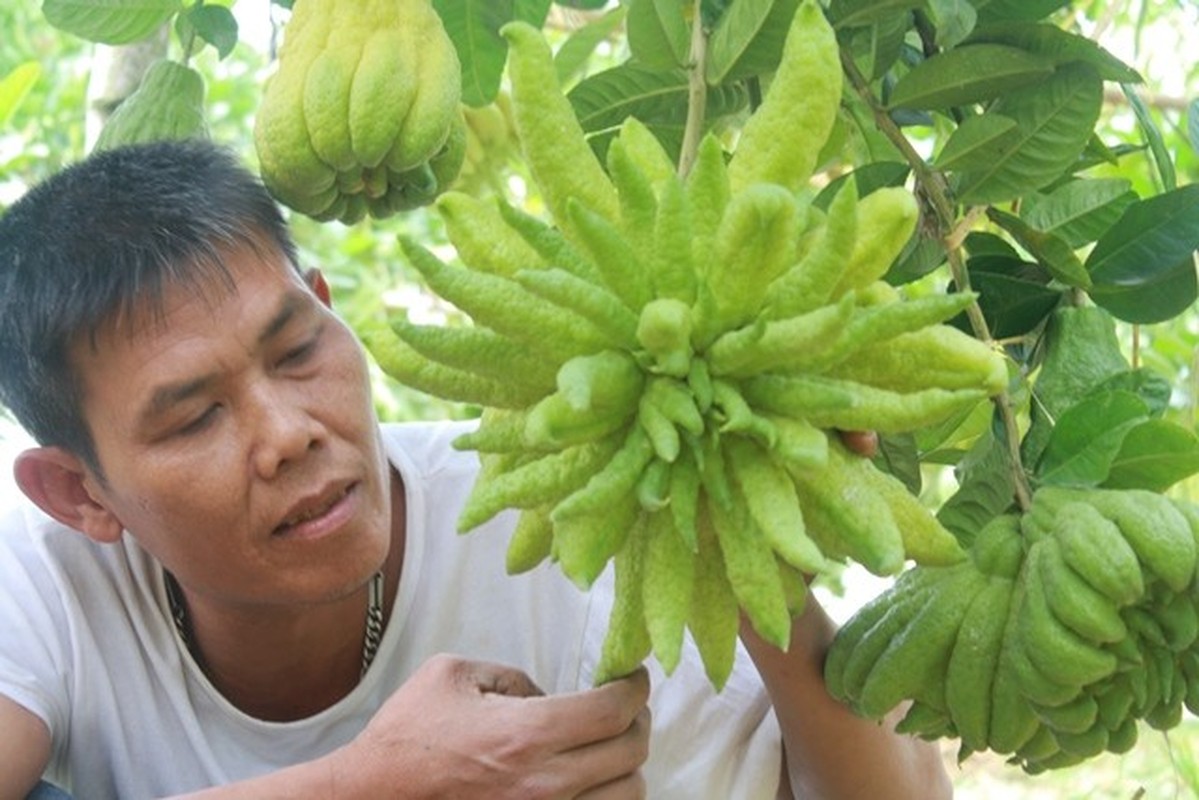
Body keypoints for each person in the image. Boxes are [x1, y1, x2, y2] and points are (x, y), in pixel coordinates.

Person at [0, 139, 952, 799]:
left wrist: (747, 555)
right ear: (79, 492)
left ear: (328, 306)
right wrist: (373, 786)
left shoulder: (564, 520)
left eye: (297, 352)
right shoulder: (47, 594)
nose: (288, 432)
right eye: (196, 416)